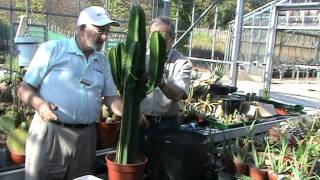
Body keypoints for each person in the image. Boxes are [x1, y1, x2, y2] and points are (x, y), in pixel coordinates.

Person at [17, 6, 122, 180]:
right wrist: (40, 105)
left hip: (86, 138)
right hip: (51, 134)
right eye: (100, 30)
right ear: (82, 30)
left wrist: (131, 113)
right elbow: (24, 88)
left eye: (107, 32)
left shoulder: (102, 61)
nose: (104, 37)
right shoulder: (52, 49)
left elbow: (110, 97)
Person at [140, 16, 192, 131]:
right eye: (153, 37)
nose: (156, 42)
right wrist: (136, 113)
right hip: (141, 120)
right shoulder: (141, 59)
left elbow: (179, 94)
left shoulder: (182, 63)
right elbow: (128, 89)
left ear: (172, 39)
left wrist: (159, 80)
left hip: (169, 123)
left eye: (161, 38)